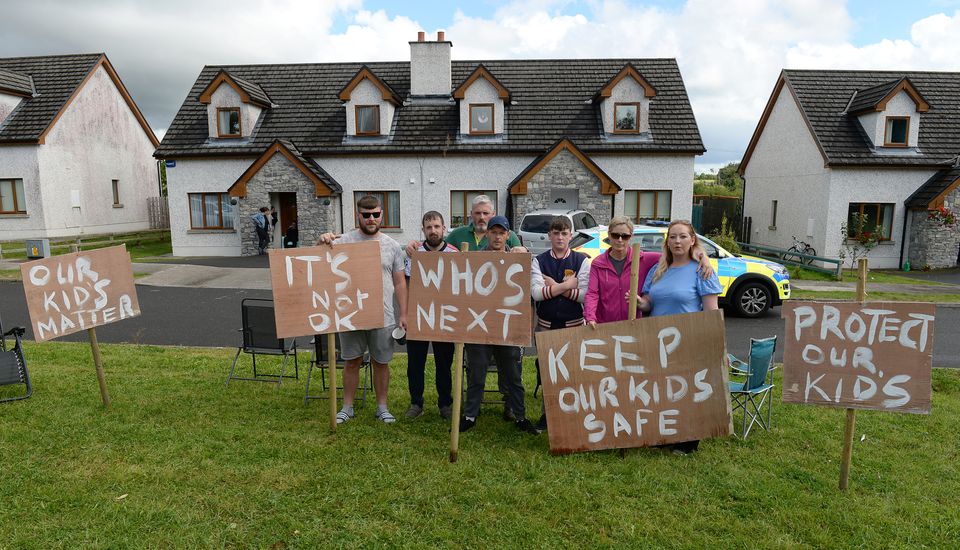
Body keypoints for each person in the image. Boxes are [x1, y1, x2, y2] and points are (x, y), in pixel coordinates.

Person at [408, 194, 524, 420]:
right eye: (478, 213)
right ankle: (470, 410)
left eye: (486, 214)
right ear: (471, 215)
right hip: (470, 318)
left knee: (509, 367)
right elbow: (437, 251)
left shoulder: (510, 242)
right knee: (474, 367)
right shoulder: (457, 236)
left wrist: (521, 252)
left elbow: (522, 269)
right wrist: (413, 245)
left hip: (503, 317)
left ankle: (512, 407)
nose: (482, 217)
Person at [317, 195, 407, 425]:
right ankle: (347, 407)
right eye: (366, 215)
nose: (371, 219)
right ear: (358, 215)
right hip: (350, 313)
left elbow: (399, 282)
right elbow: (319, 262)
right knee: (351, 361)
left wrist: (404, 314)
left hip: (383, 314)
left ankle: (382, 407)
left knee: (381, 362)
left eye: (375, 214)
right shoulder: (343, 241)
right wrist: (323, 241)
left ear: (381, 215)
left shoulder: (393, 245)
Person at [640, 219, 723, 454]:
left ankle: (689, 441)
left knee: (686, 390)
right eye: (673, 236)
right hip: (658, 340)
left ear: (692, 240)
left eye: (683, 236)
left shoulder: (702, 270)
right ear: (667, 241)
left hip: (688, 340)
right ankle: (666, 434)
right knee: (663, 389)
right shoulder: (658, 269)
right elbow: (649, 303)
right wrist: (641, 303)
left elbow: (711, 311)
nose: (677, 241)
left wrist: (717, 344)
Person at [460, 215, 538, 435]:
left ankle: (520, 416)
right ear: (487, 234)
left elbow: (527, 296)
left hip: (508, 327)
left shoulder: (518, 261)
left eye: (501, 232)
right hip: (480, 327)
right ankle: (470, 415)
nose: (497, 236)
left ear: (507, 235)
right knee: (476, 374)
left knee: (513, 375)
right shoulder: (475, 259)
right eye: (493, 232)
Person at [584, 216, 713, 327]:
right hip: (605, 325)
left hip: (633, 326)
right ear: (609, 235)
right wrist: (590, 318)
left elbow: (675, 254)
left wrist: (702, 256)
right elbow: (592, 294)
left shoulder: (644, 259)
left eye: (625, 236)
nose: (620, 240)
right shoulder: (598, 263)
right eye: (615, 235)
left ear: (631, 237)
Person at [529, 215, 591, 432]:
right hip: (545, 325)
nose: (560, 237)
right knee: (548, 372)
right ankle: (548, 415)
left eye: (564, 233)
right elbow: (537, 294)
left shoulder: (581, 260)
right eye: (556, 233)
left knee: (572, 372)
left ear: (570, 236)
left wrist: (554, 287)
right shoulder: (539, 260)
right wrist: (566, 285)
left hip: (573, 324)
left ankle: (571, 415)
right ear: (549, 236)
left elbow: (585, 295)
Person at [403, 211, 459, 419]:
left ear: (444, 229)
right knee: (415, 364)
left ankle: (445, 403)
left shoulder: (454, 253)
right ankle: (416, 403)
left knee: (444, 364)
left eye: (437, 226)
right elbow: (407, 284)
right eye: (429, 227)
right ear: (423, 230)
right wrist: (406, 314)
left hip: (445, 317)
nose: (433, 231)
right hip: (419, 316)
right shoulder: (414, 253)